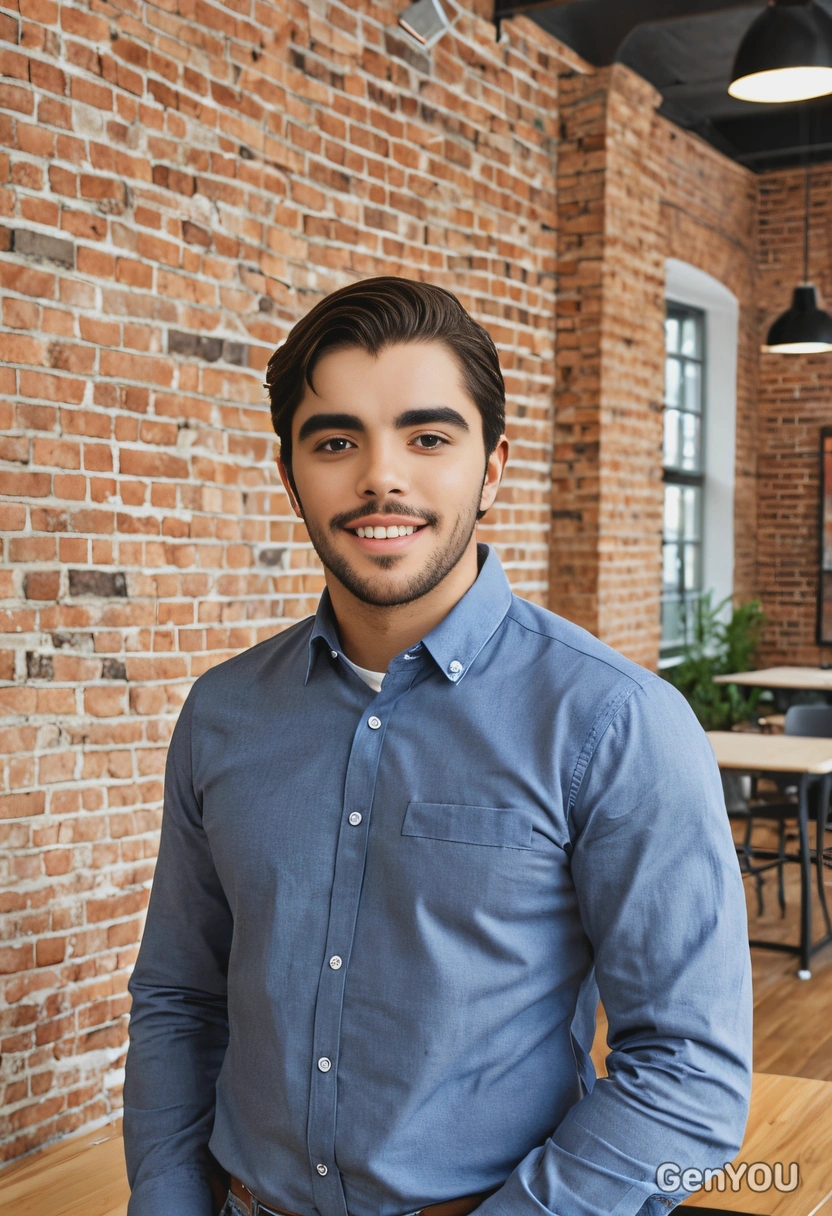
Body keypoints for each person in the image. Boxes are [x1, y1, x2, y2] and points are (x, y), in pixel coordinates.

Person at [123, 276, 752, 1216]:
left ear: (491, 468)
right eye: (336, 442)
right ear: (290, 471)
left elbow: (690, 1071)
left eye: (428, 438)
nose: (382, 476)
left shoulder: (616, 723)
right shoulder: (223, 714)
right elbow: (181, 996)